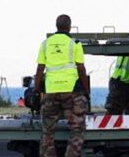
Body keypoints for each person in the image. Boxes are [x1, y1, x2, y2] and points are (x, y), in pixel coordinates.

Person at [36, 14, 88, 157]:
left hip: (51, 91)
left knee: (47, 131)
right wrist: (86, 90)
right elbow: (81, 69)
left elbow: (40, 69)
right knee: (77, 129)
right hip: (71, 91)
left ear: (56, 26)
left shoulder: (45, 44)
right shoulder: (74, 43)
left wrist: (37, 89)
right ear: (69, 27)